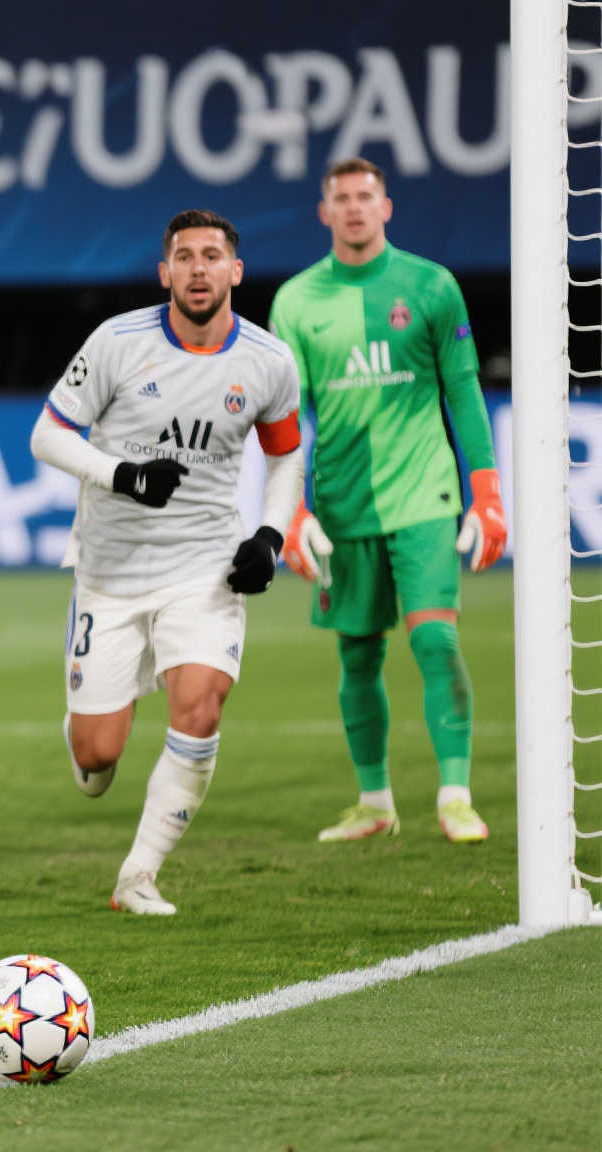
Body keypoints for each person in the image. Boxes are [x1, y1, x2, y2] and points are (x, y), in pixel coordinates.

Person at [30, 209, 304, 916]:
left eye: (212, 255)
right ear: (165, 273)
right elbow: (47, 436)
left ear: (235, 270)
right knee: (97, 757)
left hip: (204, 566)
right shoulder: (118, 342)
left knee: (202, 705)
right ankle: (86, 734)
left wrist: (270, 537)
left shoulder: (269, 361)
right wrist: (123, 475)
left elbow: (284, 456)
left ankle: (139, 876)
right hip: (110, 572)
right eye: (184, 256)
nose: (198, 268)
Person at [268, 157, 502, 845]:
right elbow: (284, 420)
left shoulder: (431, 286)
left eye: (365, 196)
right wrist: (292, 510)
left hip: (425, 493)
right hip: (343, 504)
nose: (354, 207)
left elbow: (463, 389)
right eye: (341, 198)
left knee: (434, 638)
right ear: (325, 212)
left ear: (386, 207)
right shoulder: (296, 302)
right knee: (358, 656)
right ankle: (375, 803)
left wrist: (486, 490)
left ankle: (455, 796)